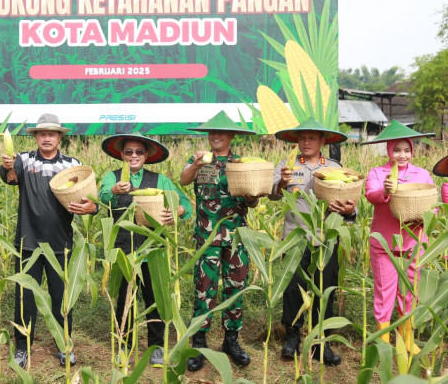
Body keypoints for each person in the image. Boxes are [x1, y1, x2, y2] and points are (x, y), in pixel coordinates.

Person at [0, 113, 97, 369]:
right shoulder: (23, 160)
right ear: (35, 136)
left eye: (51, 134)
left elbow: (90, 200)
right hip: (28, 242)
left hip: (60, 243)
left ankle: (64, 345)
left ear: (59, 138)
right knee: (25, 297)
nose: (46, 138)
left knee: (61, 299)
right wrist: (7, 166)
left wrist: (92, 209)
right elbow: (10, 177)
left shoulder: (72, 165)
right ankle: (22, 347)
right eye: (41, 133)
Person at [98, 133, 192, 367]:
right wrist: (116, 192)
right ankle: (124, 345)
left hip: (153, 249)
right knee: (124, 300)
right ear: (121, 154)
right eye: (128, 151)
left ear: (147, 155)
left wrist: (176, 213)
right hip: (123, 250)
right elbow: (102, 196)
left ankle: (156, 347)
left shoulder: (160, 180)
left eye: (139, 152)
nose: (134, 156)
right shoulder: (112, 178)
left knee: (155, 299)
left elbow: (185, 204)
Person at [271, 118, 355, 366]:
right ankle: (292, 336)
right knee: (292, 287)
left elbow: (349, 203)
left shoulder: (333, 167)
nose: (306, 142)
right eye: (302, 138)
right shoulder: (287, 166)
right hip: (295, 237)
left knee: (324, 289)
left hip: (325, 237)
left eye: (311, 138)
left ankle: (322, 343)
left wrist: (349, 209)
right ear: (297, 141)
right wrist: (283, 182)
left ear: (322, 141)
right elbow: (274, 195)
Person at [181, 111, 260, 371]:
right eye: (212, 132)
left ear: (231, 136)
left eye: (221, 132)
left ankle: (231, 340)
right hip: (207, 238)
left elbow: (253, 198)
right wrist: (194, 165)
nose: (215, 135)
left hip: (236, 236)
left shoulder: (242, 163)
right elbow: (183, 180)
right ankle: (200, 343)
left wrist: (251, 198)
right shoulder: (199, 160)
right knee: (204, 290)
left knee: (235, 289)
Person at [362, 120, 434, 351]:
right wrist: (385, 189)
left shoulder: (422, 174)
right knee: (385, 292)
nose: (402, 155)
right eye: (396, 149)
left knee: (410, 293)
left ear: (412, 151)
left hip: (414, 241)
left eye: (406, 150)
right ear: (389, 150)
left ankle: (407, 340)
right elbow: (371, 195)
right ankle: (384, 343)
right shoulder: (377, 172)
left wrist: (431, 214)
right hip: (384, 242)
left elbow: (431, 203)